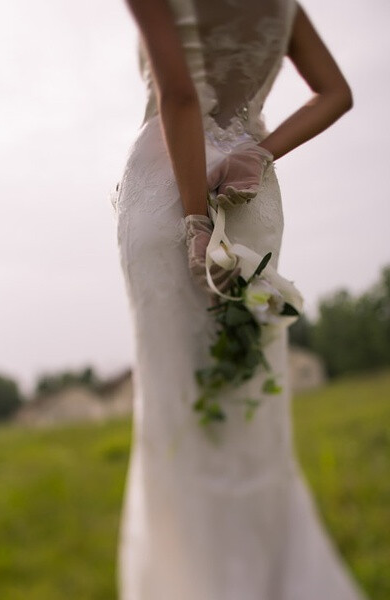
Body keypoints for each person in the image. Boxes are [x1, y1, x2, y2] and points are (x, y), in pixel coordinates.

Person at [111, 1, 368, 599]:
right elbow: (336, 93)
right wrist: (259, 150)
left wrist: (196, 222)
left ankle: (193, 581)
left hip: (170, 188)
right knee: (248, 391)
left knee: (178, 396)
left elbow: (179, 96)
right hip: (252, 192)